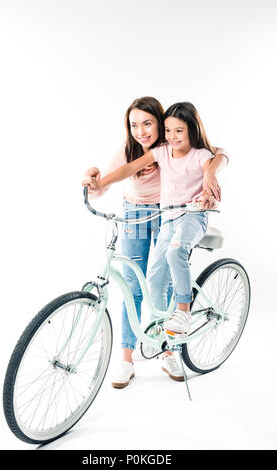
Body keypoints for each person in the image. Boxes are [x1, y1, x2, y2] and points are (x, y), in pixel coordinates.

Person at [83, 98, 228, 388]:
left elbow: (218, 152)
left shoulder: (173, 142)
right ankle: (127, 360)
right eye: (134, 125)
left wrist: (211, 172)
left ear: (161, 124)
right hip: (136, 215)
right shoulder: (138, 150)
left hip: (168, 215)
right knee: (134, 287)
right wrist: (94, 182)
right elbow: (113, 177)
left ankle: (169, 348)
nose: (141, 131)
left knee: (166, 281)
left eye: (148, 123)